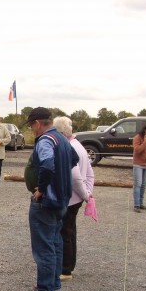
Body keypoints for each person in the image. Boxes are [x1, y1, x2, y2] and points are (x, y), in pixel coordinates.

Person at [21, 107, 78, 291]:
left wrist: (42, 189)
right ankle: (53, 284)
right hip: (62, 199)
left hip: (47, 202)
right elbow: (74, 159)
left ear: (37, 123)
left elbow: (46, 164)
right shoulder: (62, 138)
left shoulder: (45, 140)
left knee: (43, 245)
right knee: (55, 241)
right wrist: (60, 180)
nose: (31, 130)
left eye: (31, 126)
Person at [54, 116, 95, 281]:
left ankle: (65, 269)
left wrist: (86, 194)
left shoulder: (70, 147)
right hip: (77, 197)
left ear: (61, 132)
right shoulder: (79, 145)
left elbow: (76, 177)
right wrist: (88, 192)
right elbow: (90, 172)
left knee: (66, 232)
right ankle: (68, 266)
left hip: (71, 198)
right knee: (70, 231)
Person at [132, 123, 146, 213]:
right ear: (144, 129)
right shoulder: (137, 137)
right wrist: (145, 142)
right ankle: (136, 205)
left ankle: (141, 203)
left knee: (144, 185)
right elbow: (137, 151)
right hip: (138, 164)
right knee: (138, 184)